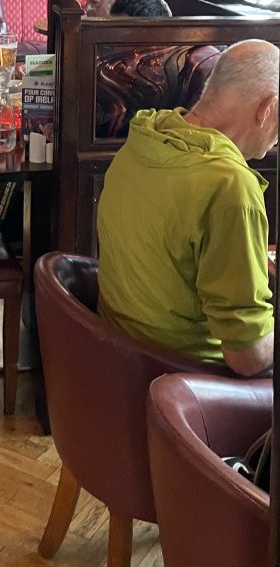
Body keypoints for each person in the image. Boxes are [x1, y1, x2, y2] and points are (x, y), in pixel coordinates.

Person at [97, 39, 277, 376]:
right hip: (188, 380)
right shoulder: (229, 185)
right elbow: (247, 357)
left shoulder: (144, 140)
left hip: (121, 360)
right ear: (267, 107)